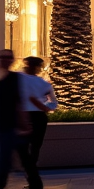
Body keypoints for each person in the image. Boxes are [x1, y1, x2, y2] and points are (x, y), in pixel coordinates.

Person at [19, 56, 56, 189]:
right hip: (29, 116)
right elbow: (53, 103)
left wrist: (42, 106)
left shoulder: (42, 83)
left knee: (32, 149)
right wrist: (44, 107)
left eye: (27, 64)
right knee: (29, 149)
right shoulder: (22, 78)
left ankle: (33, 180)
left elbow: (53, 103)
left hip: (34, 116)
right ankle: (33, 179)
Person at [0, 49, 24, 189]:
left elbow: (18, 102)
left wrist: (24, 123)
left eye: (9, 57)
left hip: (8, 125)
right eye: (3, 57)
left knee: (4, 162)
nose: (6, 59)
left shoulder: (15, 78)